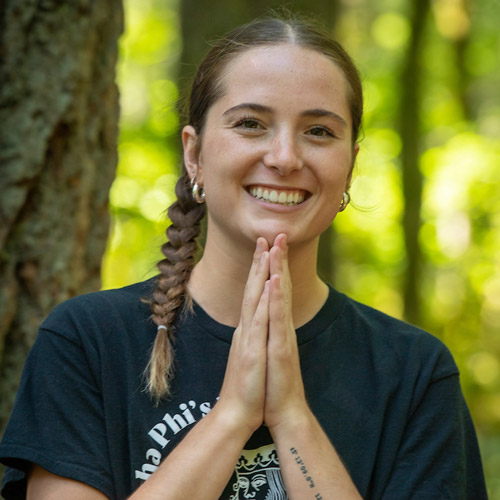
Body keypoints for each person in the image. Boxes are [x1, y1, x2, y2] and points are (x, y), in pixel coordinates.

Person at [0, 14, 488, 500]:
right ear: (194, 155)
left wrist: (292, 416)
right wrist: (232, 414)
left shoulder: (414, 372)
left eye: (318, 131)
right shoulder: (88, 342)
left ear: (350, 166)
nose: (284, 157)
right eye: (251, 124)